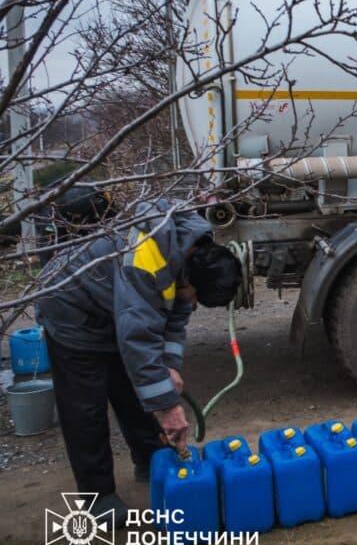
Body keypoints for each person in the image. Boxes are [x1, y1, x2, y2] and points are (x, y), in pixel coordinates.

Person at [36, 199, 242, 524]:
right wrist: (168, 407)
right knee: (85, 407)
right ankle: (98, 497)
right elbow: (138, 338)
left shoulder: (192, 253)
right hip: (70, 305)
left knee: (136, 388)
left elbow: (175, 317)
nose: (191, 302)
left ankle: (150, 459)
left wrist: (169, 366)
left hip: (114, 305)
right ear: (189, 276)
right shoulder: (147, 257)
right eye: (194, 295)